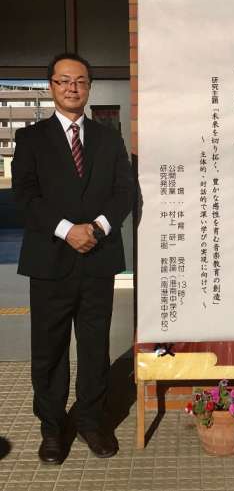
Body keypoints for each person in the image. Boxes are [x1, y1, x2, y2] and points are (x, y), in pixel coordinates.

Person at [12, 53, 134, 464]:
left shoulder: (108, 138)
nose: (72, 88)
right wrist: (67, 230)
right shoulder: (30, 139)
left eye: (80, 81)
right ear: (51, 85)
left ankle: (91, 422)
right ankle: (51, 428)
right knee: (49, 349)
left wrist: (96, 228)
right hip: (50, 261)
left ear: (89, 87)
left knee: (95, 346)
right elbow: (25, 196)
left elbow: (125, 191)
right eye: (64, 80)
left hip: (98, 258)